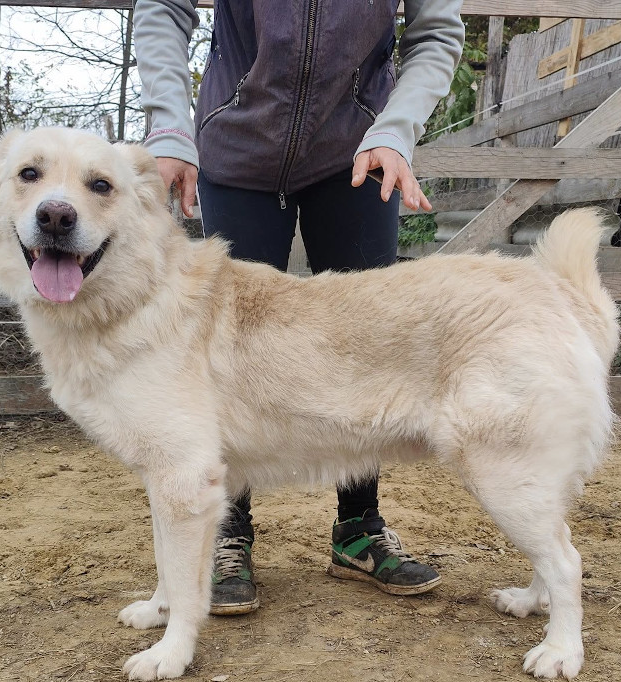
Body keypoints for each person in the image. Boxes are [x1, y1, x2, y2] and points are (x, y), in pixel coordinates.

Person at [134, 0, 466, 614]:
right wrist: (169, 124)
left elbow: (437, 31)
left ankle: (358, 529)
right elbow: (165, 7)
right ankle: (227, 532)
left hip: (359, 154)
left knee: (369, 344)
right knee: (224, 350)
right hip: (236, 150)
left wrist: (396, 128)